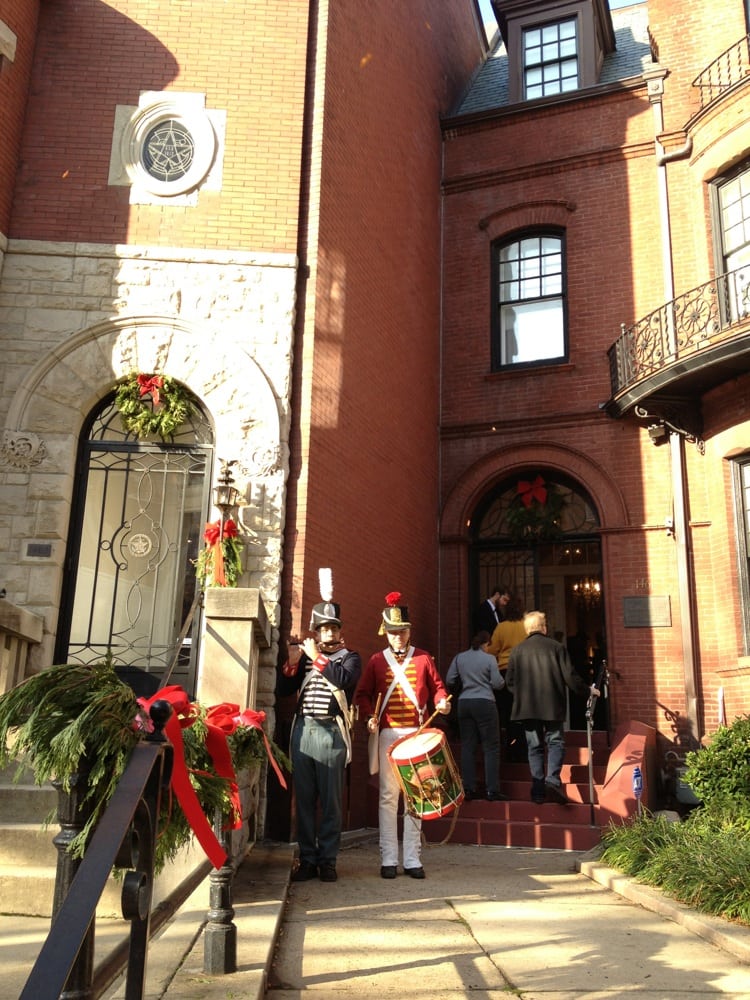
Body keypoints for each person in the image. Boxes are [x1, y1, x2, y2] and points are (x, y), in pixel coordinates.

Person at [355, 591, 450, 880]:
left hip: (417, 733)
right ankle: (388, 858)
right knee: (388, 797)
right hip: (388, 734)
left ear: (409, 632)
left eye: (403, 631)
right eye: (394, 632)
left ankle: (411, 858)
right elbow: (362, 695)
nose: (398, 637)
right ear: (386, 633)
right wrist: (371, 717)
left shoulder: (423, 658)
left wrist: (442, 702)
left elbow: (438, 688)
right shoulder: (376, 661)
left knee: (416, 796)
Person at [277, 586, 362, 883]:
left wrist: (317, 658)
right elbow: (284, 691)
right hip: (304, 731)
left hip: (331, 733)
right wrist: (290, 662)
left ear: (339, 631)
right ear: (316, 631)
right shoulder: (306, 659)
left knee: (331, 801)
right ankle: (308, 859)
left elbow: (343, 681)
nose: (328, 633)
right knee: (304, 800)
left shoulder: (349, 658)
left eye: (333, 628)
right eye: (324, 628)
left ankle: (328, 860)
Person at [505, 610, 598, 806]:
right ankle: (553, 780)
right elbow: (570, 677)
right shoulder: (556, 647)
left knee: (534, 747)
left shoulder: (517, 650)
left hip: (527, 708)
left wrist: (522, 695)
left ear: (527, 629)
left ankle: (538, 790)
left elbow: (510, 681)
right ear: (544, 627)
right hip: (552, 704)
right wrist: (587, 691)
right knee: (555, 742)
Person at [445, 630, 507, 801]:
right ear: (485, 644)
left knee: (467, 746)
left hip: (464, 703)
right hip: (485, 702)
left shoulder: (460, 657)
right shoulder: (489, 659)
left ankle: (469, 788)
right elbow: (497, 683)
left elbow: (450, 679)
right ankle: (492, 790)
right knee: (491, 746)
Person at [486, 594, 527, 761]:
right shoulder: (527, 627)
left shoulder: (501, 627)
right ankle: (524, 751)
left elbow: (491, 650)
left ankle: (511, 750)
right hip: (525, 671)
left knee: (508, 712)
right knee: (524, 712)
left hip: (505, 671)